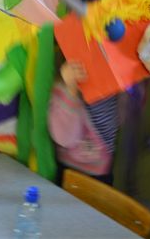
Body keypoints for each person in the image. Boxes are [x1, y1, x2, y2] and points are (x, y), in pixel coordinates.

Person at [49, 55, 119, 186]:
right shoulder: (62, 88)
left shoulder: (110, 80)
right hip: (71, 168)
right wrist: (71, 90)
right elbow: (65, 138)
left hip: (102, 170)